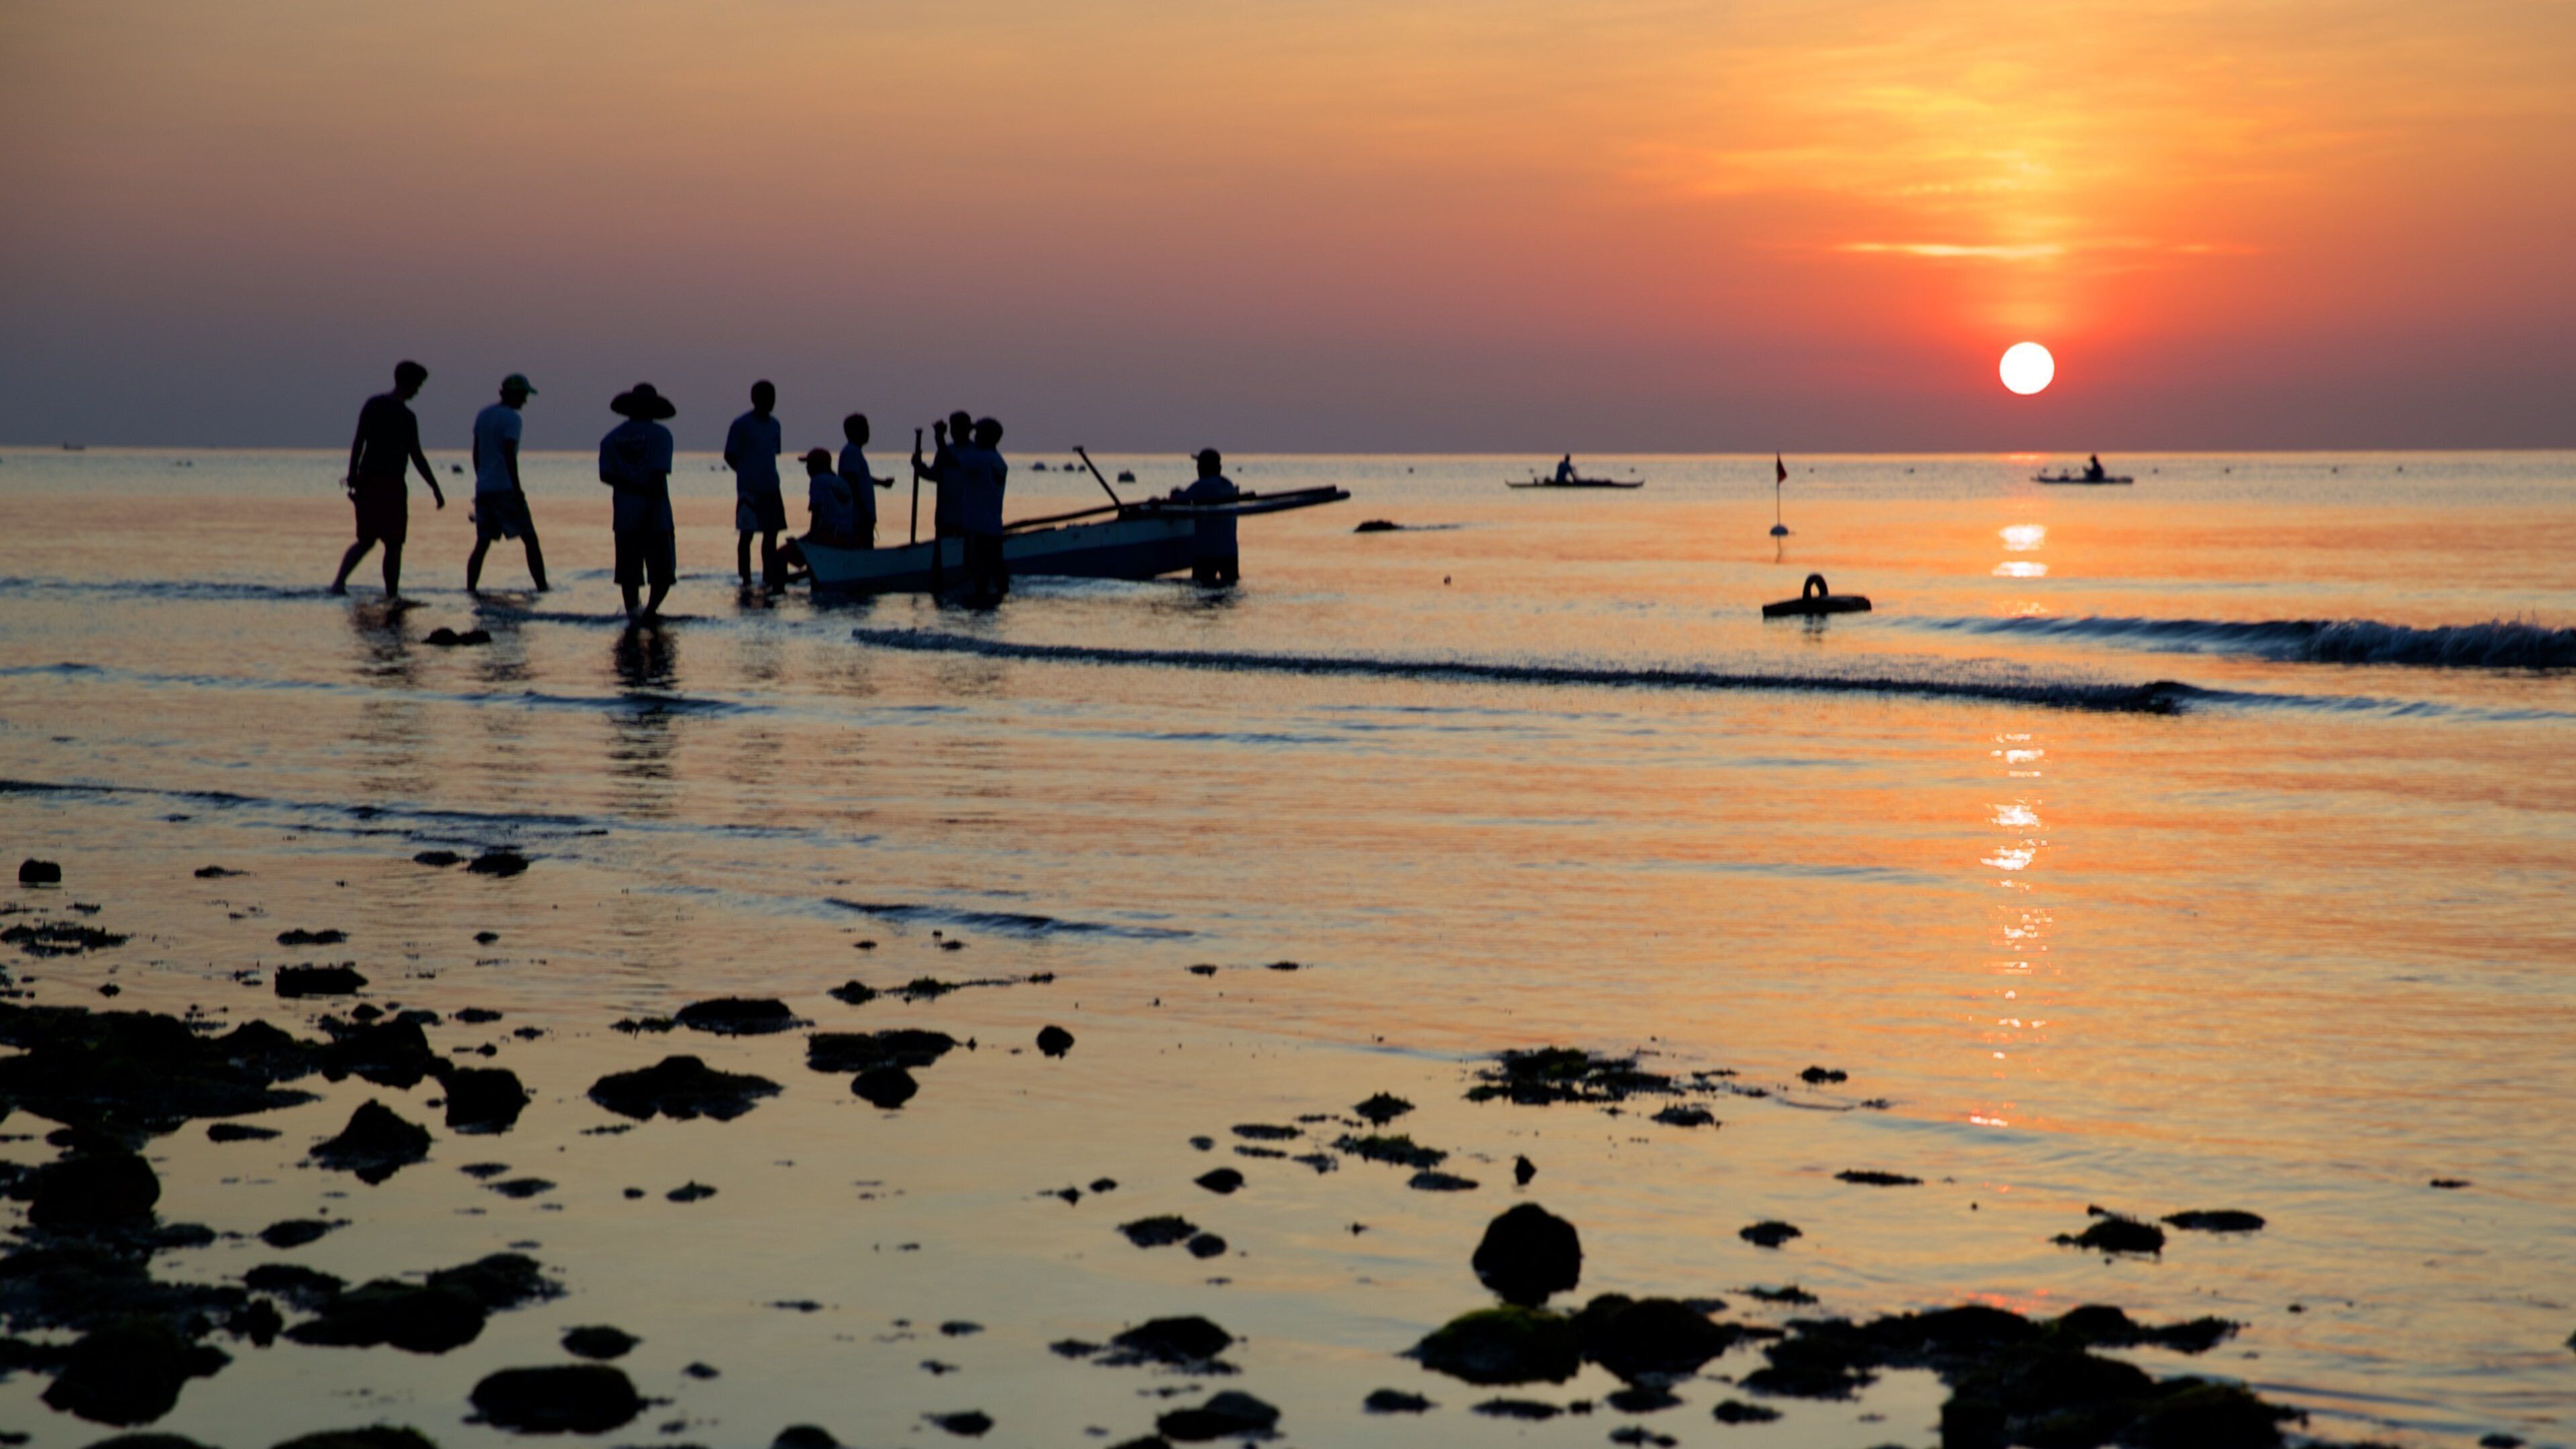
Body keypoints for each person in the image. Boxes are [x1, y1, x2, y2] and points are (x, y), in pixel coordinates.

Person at [331, 360, 445, 599]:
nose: (418, 390)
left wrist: (435, 487)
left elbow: (414, 455)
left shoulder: (391, 411)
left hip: (383, 483)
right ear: (407, 382)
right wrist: (353, 475)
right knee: (377, 542)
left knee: (383, 543)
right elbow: (361, 441)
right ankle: (350, 585)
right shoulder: (386, 409)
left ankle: (382, 592)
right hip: (380, 484)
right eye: (418, 385)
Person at [599, 383, 678, 624]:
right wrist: (648, 502)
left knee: (629, 575)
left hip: (624, 515)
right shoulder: (661, 436)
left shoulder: (611, 439)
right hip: (656, 514)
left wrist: (629, 486)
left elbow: (606, 476)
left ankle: (635, 615)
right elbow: (657, 475)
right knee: (662, 574)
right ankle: (650, 613)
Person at [466, 373, 548, 592]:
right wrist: (517, 489)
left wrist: (481, 478)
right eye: (523, 396)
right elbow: (509, 453)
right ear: (515, 395)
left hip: (484, 489)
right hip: (505, 489)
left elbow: (476, 453)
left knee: (482, 543)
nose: (525, 401)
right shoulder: (512, 419)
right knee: (530, 539)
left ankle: (471, 589)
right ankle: (542, 588)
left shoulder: (483, 415)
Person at [724, 380, 786, 588]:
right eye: (765, 397)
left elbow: (774, 452)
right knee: (747, 535)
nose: (770, 402)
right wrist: (745, 473)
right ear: (754, 399)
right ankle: (746, 579)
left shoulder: (775, 425)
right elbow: (730, 455)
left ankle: (768, 575)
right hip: (749, 489)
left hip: (771, 487)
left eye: (772, 397)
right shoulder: (741, 424)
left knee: (771, 536)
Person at [953, 417, 1010, 601]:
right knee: (996, 569)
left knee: (980, 573)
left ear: (986, 437)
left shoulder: (982, 459)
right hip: (993, 525)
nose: (974, 437)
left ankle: (981, 605)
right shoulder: (997, 460)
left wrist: (939, 438)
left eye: (977, 434)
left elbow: (951, 461)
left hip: (980, 527)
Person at [1174, 447, 1240, 586]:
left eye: (1199, 466)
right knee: (1230, 587)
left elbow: (1178, 500)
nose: (1197, 469)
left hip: (1206, 552)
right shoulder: (1228, 485)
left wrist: (1173, 495)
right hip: (1229, 552)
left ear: (1203, 468)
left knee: (1201, 590)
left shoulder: (1202, 487)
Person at [839, 413, 894, 549]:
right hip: (858, 518)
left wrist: (882, 483)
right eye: (863, 428)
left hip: (861, 517)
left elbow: (861, 478)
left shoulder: (854, 452)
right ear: (852, 431)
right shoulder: (851, 452)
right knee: (861, 550)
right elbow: (851, 483)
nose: (867, 431)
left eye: (867, 427)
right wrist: (863, 511)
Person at [802, 447, 855, 547]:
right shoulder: (841, 481)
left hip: (829, 536)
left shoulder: (818, 480)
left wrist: (811, 536)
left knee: (783, 553)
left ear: (817, 466)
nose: (807, 469)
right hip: (848, 535)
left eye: (809, 465)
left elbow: (817, 511)